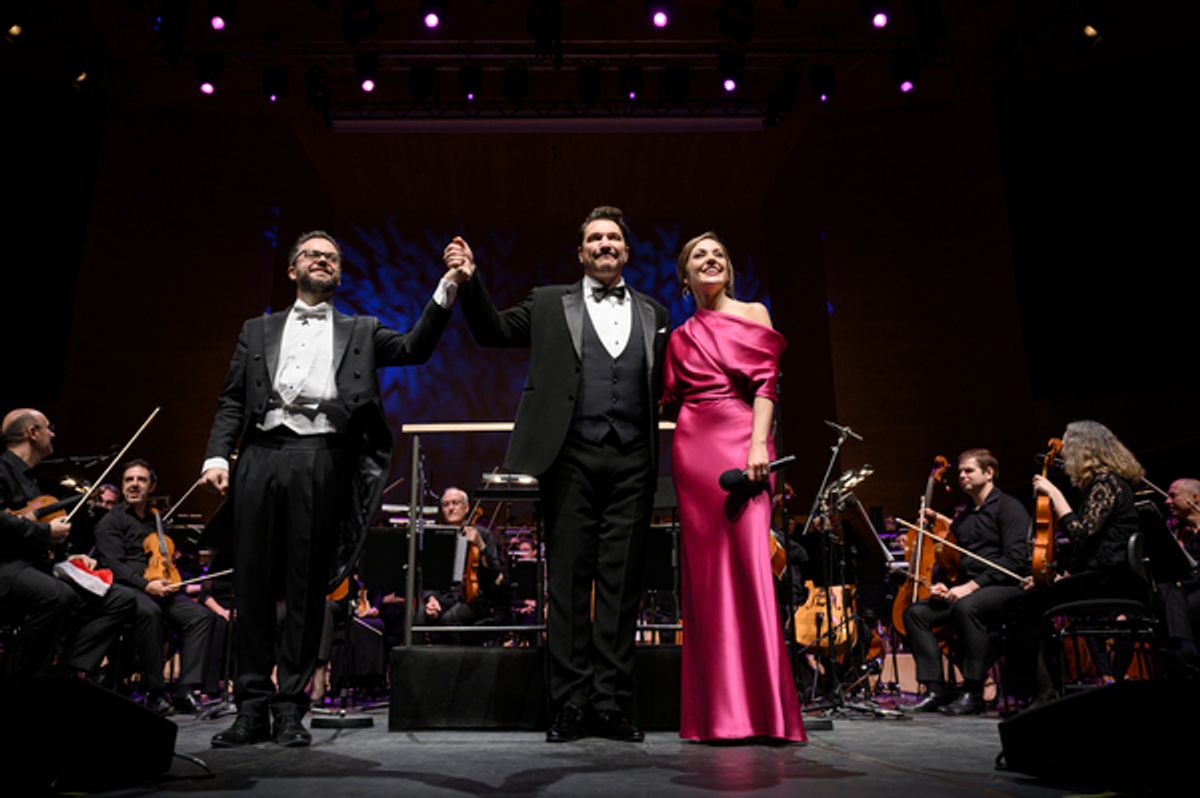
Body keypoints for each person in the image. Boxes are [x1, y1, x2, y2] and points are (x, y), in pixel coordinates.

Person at [200, 229, 467, 747]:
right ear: (293, 269)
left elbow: (414, 347)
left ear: (339, 274)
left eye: (331, 258)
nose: (322, 261)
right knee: (252, 586)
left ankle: (289, 709)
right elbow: (231, 398)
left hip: (321, 459)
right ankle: (250, 707)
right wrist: (217, 453)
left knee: (306, 588)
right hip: (259, 456)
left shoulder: (361, 330)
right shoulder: (256, 330)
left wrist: (447, 286)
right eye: (312, 255)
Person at [446, 206, 669, 742]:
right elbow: (493, 330)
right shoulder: (549, 302)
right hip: (569, 458)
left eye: (614, 237)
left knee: (621, 587)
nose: (605, 245)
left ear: (627, 251)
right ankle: (570, 703)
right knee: (569, 585)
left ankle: (611, 704)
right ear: (581, 252)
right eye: (595, 238)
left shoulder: (655, 312)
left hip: (634, 459)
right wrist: (471, 282)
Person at [661, 231, 805, 742]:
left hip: (743, 439)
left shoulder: (754, 313)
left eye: (718, 254)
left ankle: (768, 714)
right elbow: (671, 399)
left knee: (751, 568)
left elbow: (767, 384)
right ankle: (716, 716)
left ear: (729, 269)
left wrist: (758, 446)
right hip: (694, 452)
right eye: (699, 255)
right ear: (685, 278)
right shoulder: (679, 336)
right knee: (706, 581)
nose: (710, 260)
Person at [1005, 420, 1145, 704]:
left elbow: (1080, 533)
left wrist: (1055, 495)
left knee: (1018, 607)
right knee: (1027, 603)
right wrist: (1056, 576)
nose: (1065, 454)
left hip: (1112, 580)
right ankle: (1044, 690)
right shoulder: (1101, 484)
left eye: (1069, 447)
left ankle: (1035, 693)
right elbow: (1089, 549)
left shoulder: (1107, 483)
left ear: (1085, 450)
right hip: (1100, 576)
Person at [0, 408, 134, 679]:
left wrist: (68, 558)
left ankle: (70, 671)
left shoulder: (31, 479)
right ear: (32, 433)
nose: (53, 433)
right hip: (6, 565)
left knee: (120, 599)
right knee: (57, 595)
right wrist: (44, 532)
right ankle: (26, 682)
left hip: (36, 566)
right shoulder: (2, 470)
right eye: (48, 427)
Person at [902, 449, 1030, 715]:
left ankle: (973, 690)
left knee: (966, 607)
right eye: (960, 471)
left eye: (969, 470)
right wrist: (944, 586)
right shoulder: (965, 517)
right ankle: (936, 689)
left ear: (989, 473)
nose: (962, 475)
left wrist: (970, 587)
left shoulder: (1009, 508)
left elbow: (1014, 561)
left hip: (1005, 588)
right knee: (916, 613)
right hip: (967, 590)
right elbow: (952, 561)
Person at [94, 459, 216, 714]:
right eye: (129, 480)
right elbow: (112, 565)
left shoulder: (156, 520)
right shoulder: (110, 521)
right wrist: (146, 585)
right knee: (151, 613)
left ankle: (185, 690)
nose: (134, 485)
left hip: (159, 586)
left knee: (201, 616)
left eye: (141, 480)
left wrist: (170, 580)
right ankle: (155, 691)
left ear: (152, 486)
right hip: (128, 588)